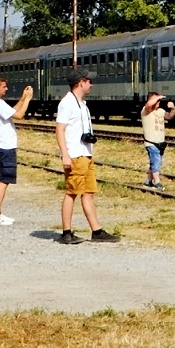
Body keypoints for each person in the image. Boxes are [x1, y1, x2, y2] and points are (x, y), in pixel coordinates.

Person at [55, 71, 120, 244]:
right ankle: (66, 232)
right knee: (72, 193)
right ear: (80, 83)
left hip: (86, 154)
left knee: (89, 192)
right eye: (89, 81)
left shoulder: (83, 104)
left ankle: (96, 231)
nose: (91, 84)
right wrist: (65, 155)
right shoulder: (67, 103)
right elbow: (59, 130)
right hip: (75, 155)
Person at [0, 75, 33, 224]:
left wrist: (22, 98)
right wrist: (28, 99)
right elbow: (19, 115)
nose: (6, 89)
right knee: (4, 181)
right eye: (4, 86)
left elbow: (11, 111)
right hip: (5, 147)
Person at [140, 91, 175, 189]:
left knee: (156, 162)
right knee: (156, 161)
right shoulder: (145, 111)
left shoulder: (160, 111)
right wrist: (156, 98)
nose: (159, 102)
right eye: (157, 100)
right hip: (151, 143)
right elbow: (148, 105)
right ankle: (157, 182)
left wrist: (172, 109)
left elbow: (169, 117)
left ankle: (148, 182)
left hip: (160, 143)